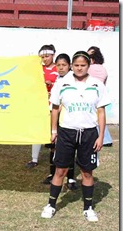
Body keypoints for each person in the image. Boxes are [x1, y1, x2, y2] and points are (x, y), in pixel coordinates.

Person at [41, 51, 110, 221]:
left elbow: (101, 112)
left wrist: (101, 136)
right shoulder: (62, 83)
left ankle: (88, 208)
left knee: (87, 172)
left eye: (83, 65)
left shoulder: (97, 84)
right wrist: (54, 131)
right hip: (66, 132)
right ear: (72, 65)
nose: (79, 68)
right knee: (61, 170)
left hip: (88, 134)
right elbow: (55, 109)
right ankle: (51, 205)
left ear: (88, 66)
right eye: (76, 65)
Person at [42, 53, 78, 191]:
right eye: (58, 65)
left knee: (69, 149)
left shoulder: (72, 80)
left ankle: (70, 177)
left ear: (69, 66)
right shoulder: (57, 79)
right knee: (53, 146)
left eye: (64, 65)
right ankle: (52, 174)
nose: (61, 68)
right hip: (55, 117)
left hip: (67, 120)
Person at [26, 44, 58, 168]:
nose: (45, 59)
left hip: (54, 105)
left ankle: (55, 157)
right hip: (40, 104)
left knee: (55, 131)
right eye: (42, 57)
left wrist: (52, 84)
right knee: (37, 130)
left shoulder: (59, 68)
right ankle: (34, 159)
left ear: (53, 55)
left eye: (47, 56)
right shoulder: (38, 69)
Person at [87, 46, 113, 147]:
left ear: (92, 59)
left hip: (90, 94)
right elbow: (104, 83)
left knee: (92, 118)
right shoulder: (104, 69)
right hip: (100, 95)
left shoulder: (89, 68)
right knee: (101, 116)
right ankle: (106, 139)